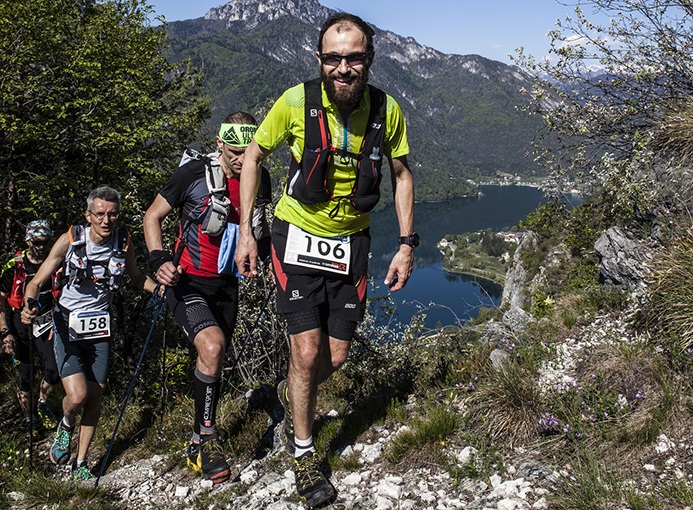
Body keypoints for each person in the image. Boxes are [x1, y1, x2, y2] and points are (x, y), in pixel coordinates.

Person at [235, 12, 417, 507]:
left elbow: (401, 175)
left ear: (369, 60)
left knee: (334, 356)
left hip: (351, 243)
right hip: (294, 235)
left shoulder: (386, 110)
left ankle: (292, 391)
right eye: (333, 58)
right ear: (319, 60)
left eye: (353, 57)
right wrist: (247, 231)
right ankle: (303, 453)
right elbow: (252, 156)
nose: (343, 68)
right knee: (309, 351)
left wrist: (405, 244)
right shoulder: (296, 102)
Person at [143, 111, 271, 484]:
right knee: (212, 348)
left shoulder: (260, 179)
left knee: (213, 357)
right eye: (234, 152)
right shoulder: (192, 175)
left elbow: (259, 233)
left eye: (249, 153)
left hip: (226, 286)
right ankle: (210, 441)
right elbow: (153, 217)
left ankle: (197, 440)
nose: (241, 160)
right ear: (219, 144)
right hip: (186, 284)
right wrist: (158, 259)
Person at [21, 187, 158, 481]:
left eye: (112, 214)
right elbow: (37, 281)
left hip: (100, 326)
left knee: (95, 396)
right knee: (78, 394)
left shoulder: (124, 242)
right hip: (67, 323)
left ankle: (81, 462)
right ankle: (67, 422)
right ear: (89, 215)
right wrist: (28, 304)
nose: (106, 220)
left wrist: (162, 290)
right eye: (100, 214)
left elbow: (136, 278)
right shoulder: (70, 240)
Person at [0, 220, 61, 434]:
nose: (42, 246)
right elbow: (0, 300)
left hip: (46, 321)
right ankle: (29, 418)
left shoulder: (55, 262)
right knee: (25, 375)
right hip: (19, 322)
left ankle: (42, 403)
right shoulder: (14, 266)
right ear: (28, 241)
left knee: (54, 370)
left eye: (46, 241)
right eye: (37, 242)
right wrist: (5, 333)